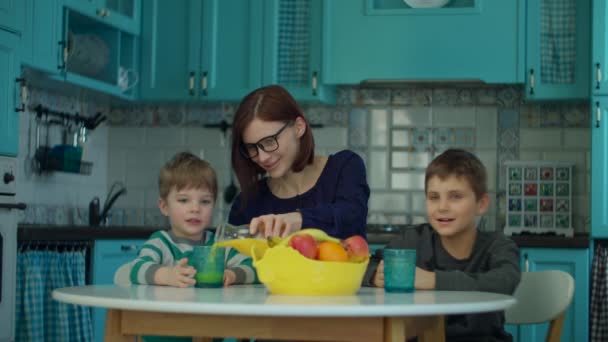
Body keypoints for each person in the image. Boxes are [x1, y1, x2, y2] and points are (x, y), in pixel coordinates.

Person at [363, 149, 521, 342]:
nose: (442, 207)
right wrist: (374, 275)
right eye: (434, 197)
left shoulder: (498, 245)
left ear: (481, 203)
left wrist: (432, 280)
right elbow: (364, 266)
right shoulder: (413, 240)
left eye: (455, 196)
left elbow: (504, 281)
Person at [227, 85, 370, 240]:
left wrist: (298, 220)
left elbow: (352, 218)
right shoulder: (247, 203)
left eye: (269, 141)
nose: (262, 157)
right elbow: (234, 258)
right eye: (252, 147)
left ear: (299, 128)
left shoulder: (345, 167)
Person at [114, 152, 257, 288]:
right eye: (183, 200)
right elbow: (136, 269)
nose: (195, 208)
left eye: (205, 201)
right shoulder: (160, 244)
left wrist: (233, 275)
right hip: (168, 313)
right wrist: (167, 275)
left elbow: (254, 268)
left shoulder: (220, 245)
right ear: (164, 207)